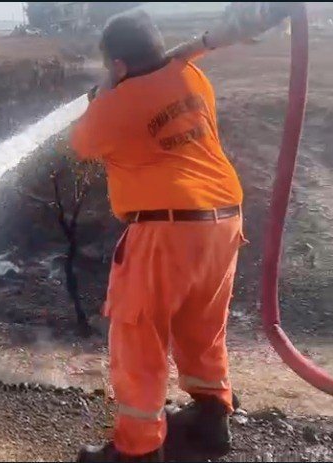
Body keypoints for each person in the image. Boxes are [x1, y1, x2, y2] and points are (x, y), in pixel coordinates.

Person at [55, 7, 287, 462]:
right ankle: (209, 419)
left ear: (119, 65)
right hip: (222, 221)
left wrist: (103, 93)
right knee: (202, 324)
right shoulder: (192, 76)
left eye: (110, 67)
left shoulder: (119, 102)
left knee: (138, 333)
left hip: (166, 227)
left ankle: (137, 450)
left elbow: (81, 144)